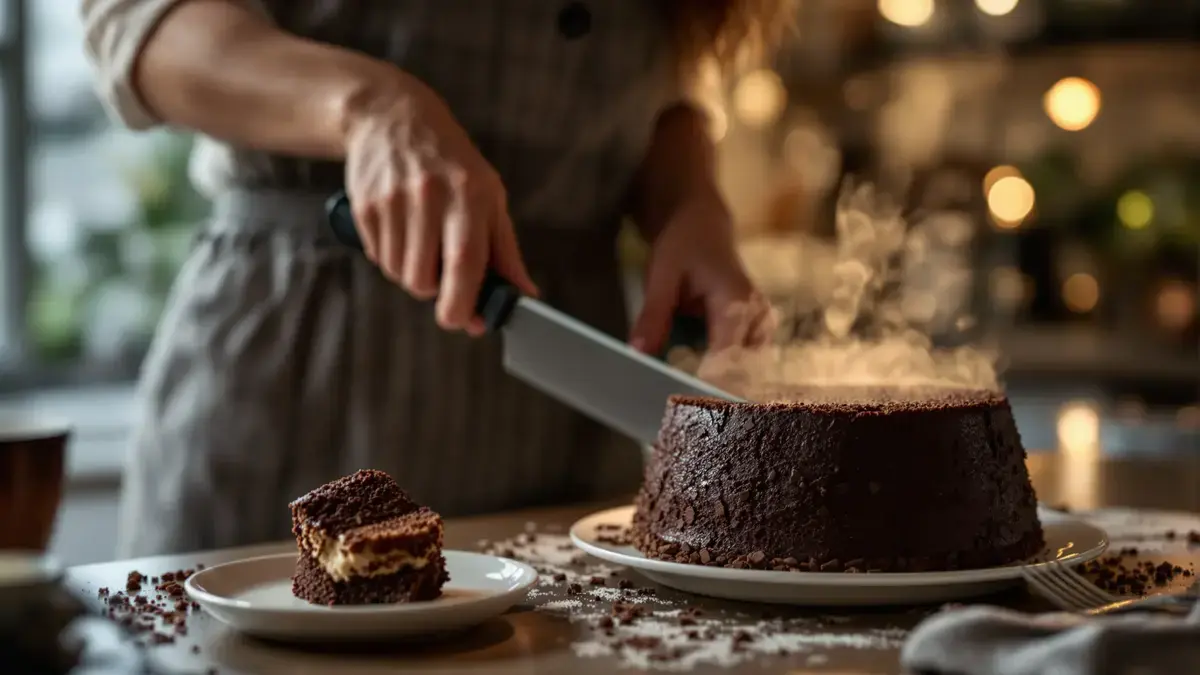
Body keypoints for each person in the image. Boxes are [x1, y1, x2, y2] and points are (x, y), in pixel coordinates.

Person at [81, 0, 791, 557]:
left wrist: (692, 202)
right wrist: (369, 106)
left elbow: (667, 90)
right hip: (297, 374)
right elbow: (140, 22)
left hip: (570, 419)